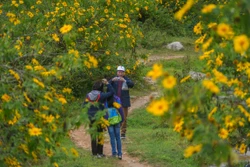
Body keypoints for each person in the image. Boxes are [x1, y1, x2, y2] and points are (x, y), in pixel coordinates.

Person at [83, 79, 114, 158]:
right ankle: (100, 153)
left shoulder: (88, 95)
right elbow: (112, 92)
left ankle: (94, 153)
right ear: (100, 88)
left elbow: (83, 106)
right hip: (99, 118)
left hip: (90, 118)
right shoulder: (102, 95)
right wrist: (107, 84)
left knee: (93, 136)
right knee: (100, 134)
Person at [109, 66, 134, 139]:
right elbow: (107, 86)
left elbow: (132, 84)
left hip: (124, 101)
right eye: (118, 72)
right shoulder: (114, 79)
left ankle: (123, 132)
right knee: (114, 116)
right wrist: (111, 81)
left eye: (121, 72)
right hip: (115, 102)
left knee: (124, 117)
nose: (120, 73)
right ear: (117, 72)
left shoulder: (126, 79)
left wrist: (125, 80)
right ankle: (114, 131)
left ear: (124, 73)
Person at [106, 95, 124, 159]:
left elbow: (105, 114)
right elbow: (121, 110)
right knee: (118, 138)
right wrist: (122, 120)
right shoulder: (117, 99)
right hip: (117, 121)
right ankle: (120, 153)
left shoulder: (106, 101)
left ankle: (114, 153)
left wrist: (105, 123)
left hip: (109, 122)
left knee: (112, 138)